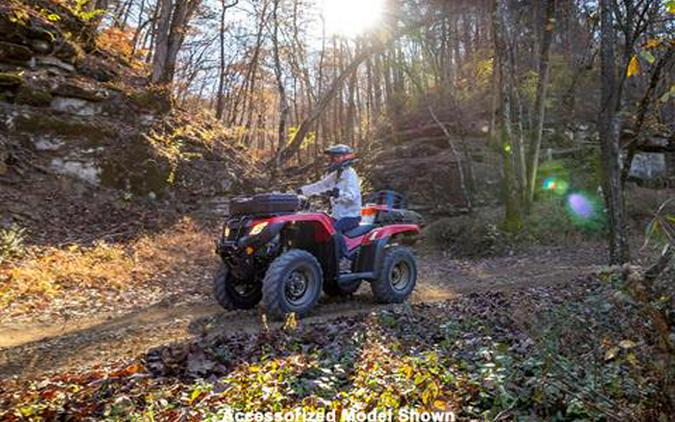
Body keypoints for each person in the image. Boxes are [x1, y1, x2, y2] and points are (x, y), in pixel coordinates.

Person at [297, 144, 362, 256]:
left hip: (351, 216)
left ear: (345, 157)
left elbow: (353, 196)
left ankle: (344, 255)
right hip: (337, 215)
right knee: (320, 227)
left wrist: (338, 194)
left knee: (332, 230)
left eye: (337, 157)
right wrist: (302, 191)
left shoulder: (350, 174)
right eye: (333, 157)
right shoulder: (337, 174)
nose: (334, 159)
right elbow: (321, 185)